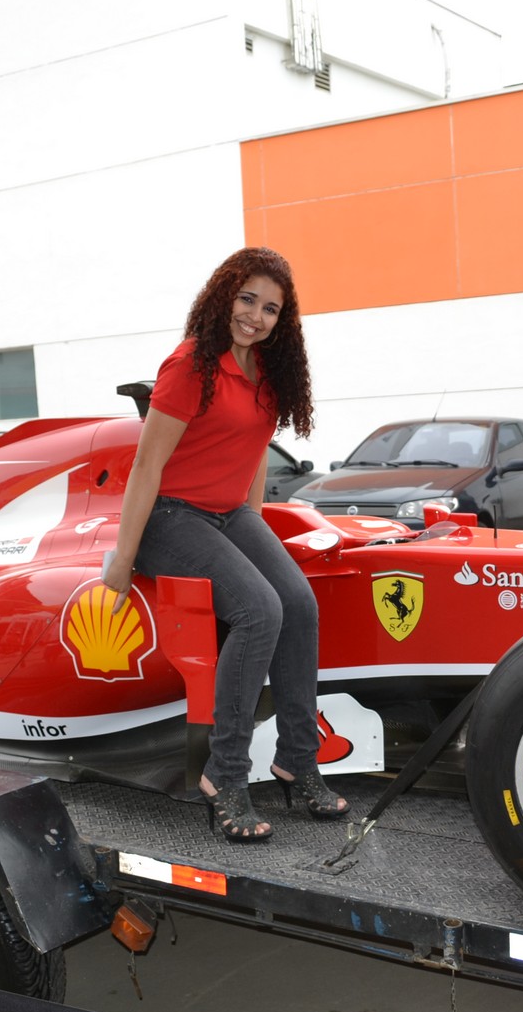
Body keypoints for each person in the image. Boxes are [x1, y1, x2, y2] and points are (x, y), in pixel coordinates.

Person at [102, 247, 347, 842]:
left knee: (299, 604)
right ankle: (225, 775)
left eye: (270, 309)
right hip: (169, 516)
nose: (255, 317)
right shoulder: (190, 366)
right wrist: (123, 562)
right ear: (223, 295)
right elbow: (145, 468)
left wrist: (252, 528)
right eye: (247, 300)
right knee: (258, 611)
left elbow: (253, 450)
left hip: (226, 515)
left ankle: (297, 760)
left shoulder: (267, 371)